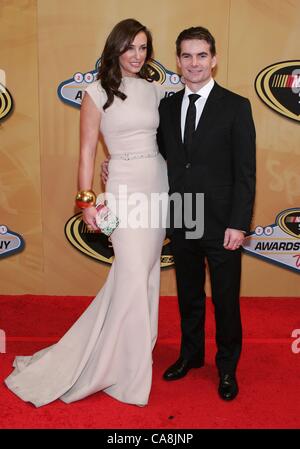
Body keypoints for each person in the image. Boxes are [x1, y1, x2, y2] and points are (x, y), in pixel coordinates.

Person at [4, 18, 168, 407]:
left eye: (143, 48)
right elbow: (86, 153)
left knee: (144, 275)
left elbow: (164, 142)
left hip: (157, 185)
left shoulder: (154, 90)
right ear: (115, 49)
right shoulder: (95, 93)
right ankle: (107, 366)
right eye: (130, 47)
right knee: (129, 273)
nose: (137, 55)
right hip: (124, 188)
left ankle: (133, 353)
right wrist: (87, 201)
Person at [158, 27, 256, 401]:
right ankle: (191, 355)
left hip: (222, 222)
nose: (194, 63)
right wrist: (112, 167)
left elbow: (245, 171)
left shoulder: (236, 105)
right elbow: (158, 155)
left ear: (213, 59)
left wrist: (238, 223)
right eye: (186, 56)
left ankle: (227, 368)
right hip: (183, 214)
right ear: (178, 60)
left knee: (226, 299)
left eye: (201, 55)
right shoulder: (167, 106)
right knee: (189, 294)